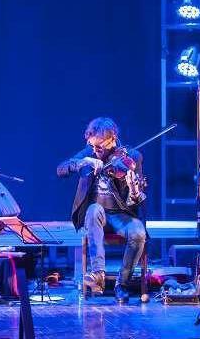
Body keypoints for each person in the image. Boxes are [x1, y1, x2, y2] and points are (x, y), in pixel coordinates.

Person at [56, 117, 146, 303]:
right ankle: (98, 274)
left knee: (138, 233)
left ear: (113, 139)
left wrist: (135, 190)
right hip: (96, 215)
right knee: (94, 209)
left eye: (100, 147)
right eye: (93, 146)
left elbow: (136, 201)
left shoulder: (131, 158)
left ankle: (122, 284)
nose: (96, 151)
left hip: (121, 214)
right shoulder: (90, 153)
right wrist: (83, 162)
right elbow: (61, 169)